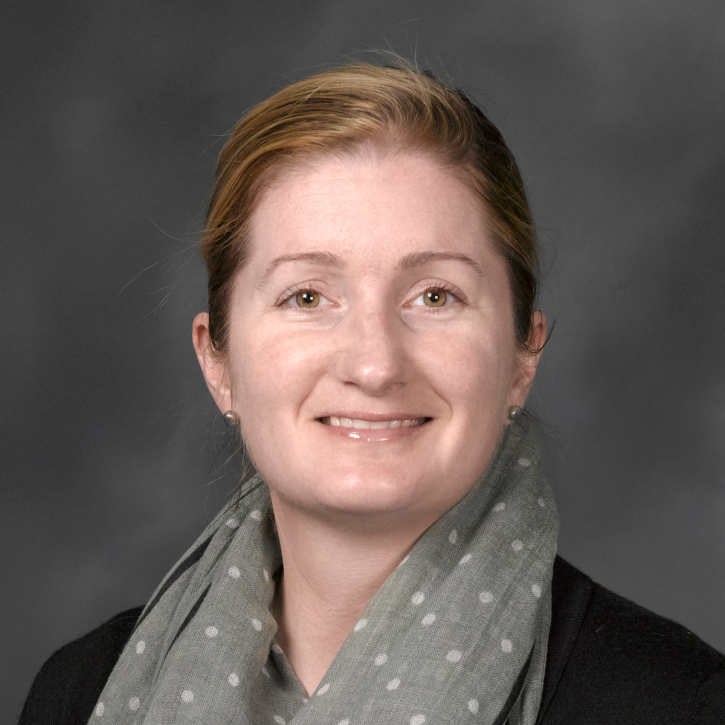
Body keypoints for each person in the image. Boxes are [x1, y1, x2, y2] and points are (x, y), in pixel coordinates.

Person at [20, 62, 725, 725]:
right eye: (306, 295)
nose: (374, 363)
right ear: (219, 361)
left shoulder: (676, 701)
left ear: (520, 355)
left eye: (434, 295)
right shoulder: (81, 691)